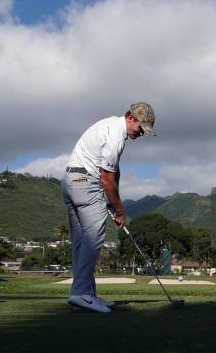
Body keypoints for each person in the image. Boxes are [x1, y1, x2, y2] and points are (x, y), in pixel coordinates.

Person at [62, 102, 156, 313]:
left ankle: (85, 295)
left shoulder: (110, 126)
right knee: (93, 239)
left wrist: (113, 206)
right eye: (141, 127)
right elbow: (107, 179)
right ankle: (82, 295)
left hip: (71, 182)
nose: (141, 133)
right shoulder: (115, 136)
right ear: (131, 118)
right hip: (86, 183)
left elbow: (113, 174)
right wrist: (120, 210)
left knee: (81, 243)